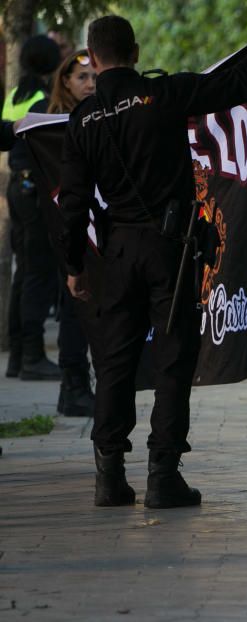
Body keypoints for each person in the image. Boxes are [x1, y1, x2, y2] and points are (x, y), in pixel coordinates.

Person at [58, 14, 247, 509]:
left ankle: (109, 475)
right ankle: (163, 474)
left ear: (93, 59)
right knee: (173, 356)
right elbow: (232, 83)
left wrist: (74, 265)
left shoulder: (83, 120)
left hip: (118, 251)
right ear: (137, 52)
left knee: (116, 361)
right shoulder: (161, 96)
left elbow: (73, 202)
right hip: (172, 249)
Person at [42, 50, 100, 417]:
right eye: (82, 77)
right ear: (65, 81)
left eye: (94, 76)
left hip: (94, 225)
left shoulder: (100, 114)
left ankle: (75, 387)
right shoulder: (50, 124)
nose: (90, 84)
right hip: (65, 227)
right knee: (73, 304)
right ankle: (75, 384)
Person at [4, 35, 62, 383]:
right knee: (39, 271)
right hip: (34, 188)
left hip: (15, 186)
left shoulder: (15, 94)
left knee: (24, 271)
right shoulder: (43, 98)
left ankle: (17, 356)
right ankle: (34, 356)